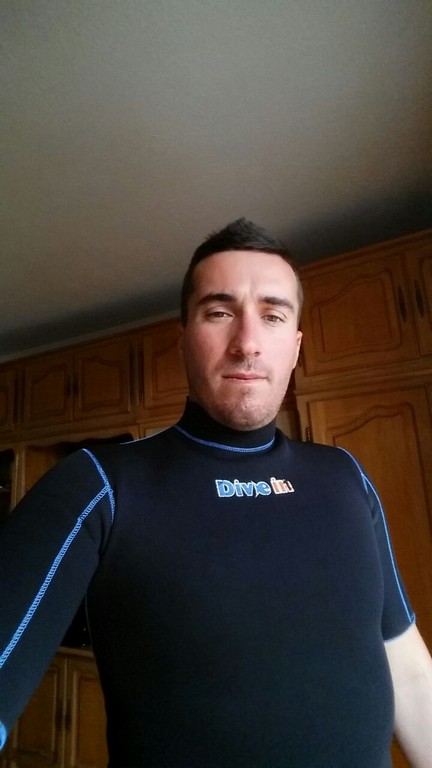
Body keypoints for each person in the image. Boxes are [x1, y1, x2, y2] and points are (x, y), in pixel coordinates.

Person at [1, 218, 431, 767]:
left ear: (296, 347)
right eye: (220, 312)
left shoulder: (347, 476)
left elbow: (408, 671)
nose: (247, 343)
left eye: (273, 315)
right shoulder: (99, 486)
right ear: (183, 339)